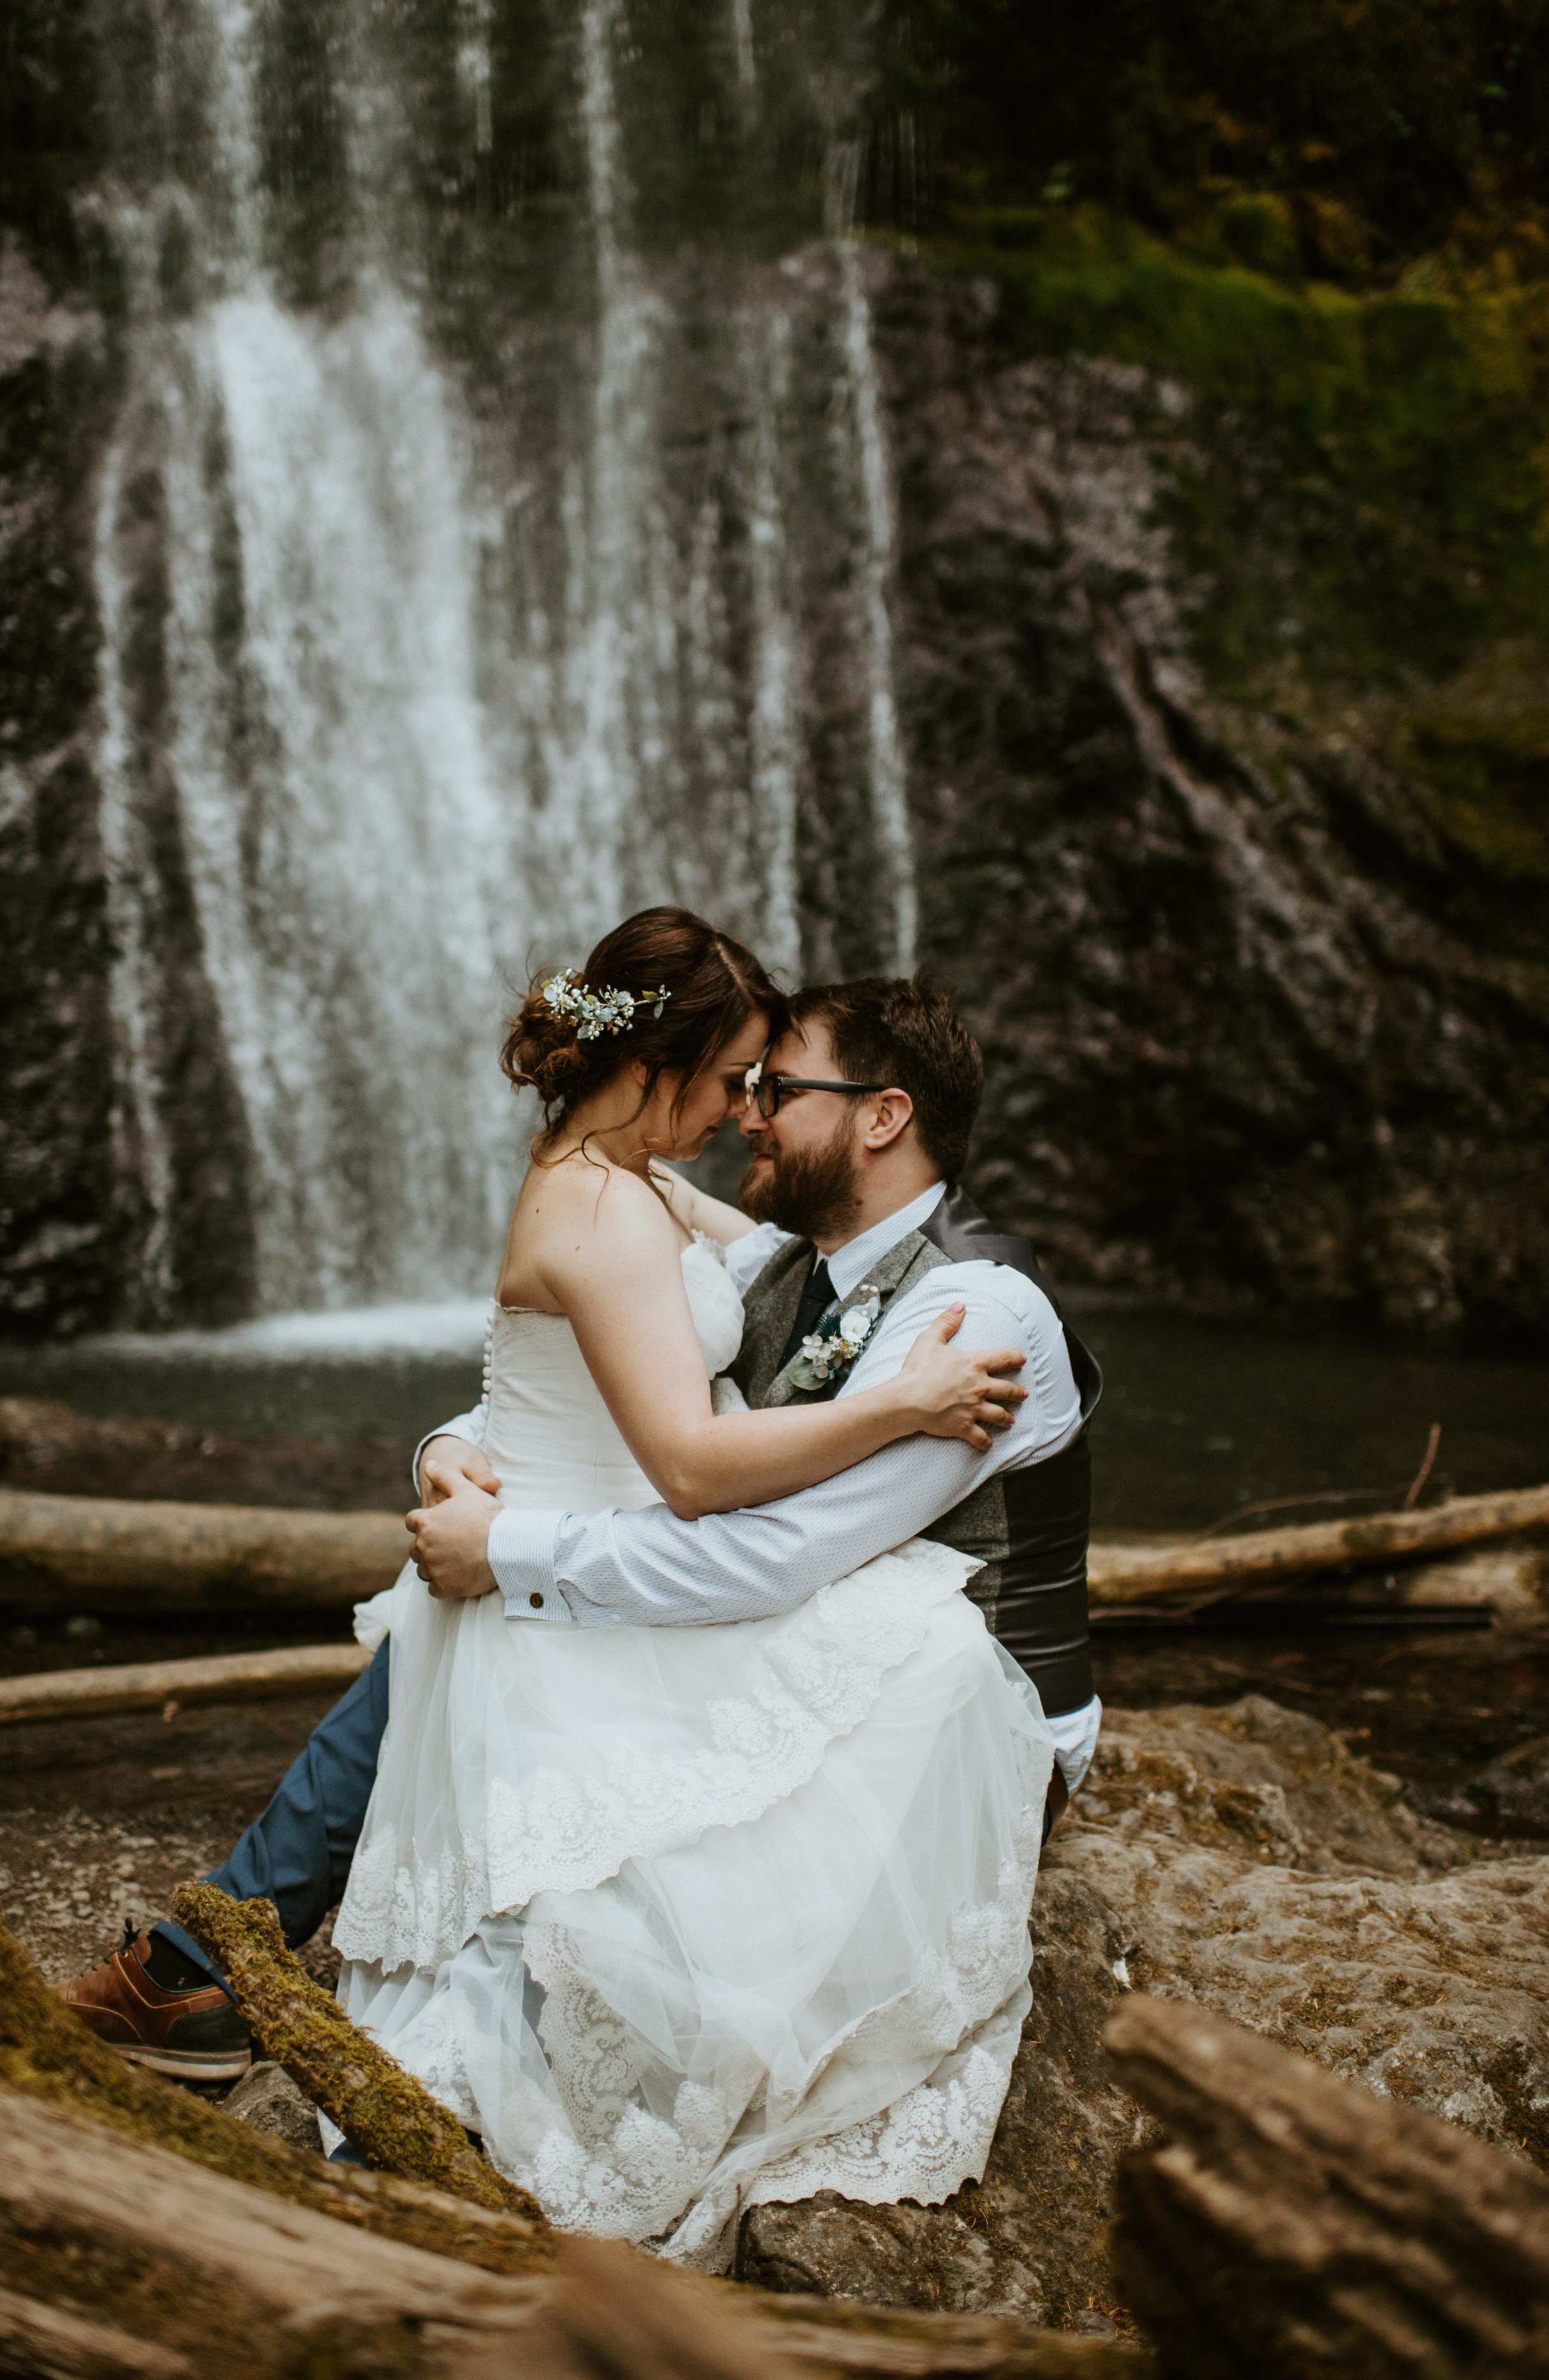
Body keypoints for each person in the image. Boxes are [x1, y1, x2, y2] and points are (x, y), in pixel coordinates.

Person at [65, 917, 1102, 2263]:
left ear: (882, 1116)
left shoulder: (976, 1316)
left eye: (774, 1091)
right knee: (480, 1627)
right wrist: (457, 1449)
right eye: (741, 1079)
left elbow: (763, 1543)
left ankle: (198, 1959)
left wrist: (517, 1547)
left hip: (963, 1693)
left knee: (487, 1616)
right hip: (778, 1584)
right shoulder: (760, 1241)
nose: (748, 1117)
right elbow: (581, 1370)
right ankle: (198, 1959)